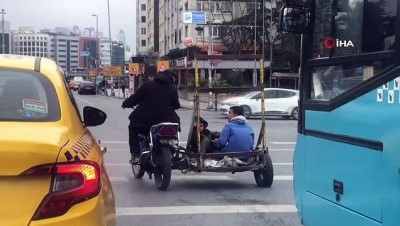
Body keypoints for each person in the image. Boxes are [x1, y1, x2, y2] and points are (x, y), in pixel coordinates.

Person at [121, 70, 181, 163]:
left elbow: (134, 99)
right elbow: (176, 105)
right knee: (174, 131)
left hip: (145, 121)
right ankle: (173, 146)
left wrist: (125, 103)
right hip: (168, 121)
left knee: (133, 128)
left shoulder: (147, 86)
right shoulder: (172, 89)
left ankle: (135, 155)